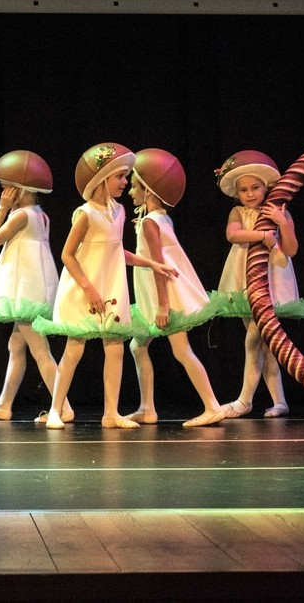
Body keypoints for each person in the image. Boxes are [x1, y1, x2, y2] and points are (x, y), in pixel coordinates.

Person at [34, 143, 177, 430]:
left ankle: (111, 414)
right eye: (120, 177)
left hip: (111, 286)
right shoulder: (86, 213)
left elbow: (117, 252)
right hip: (85, 287)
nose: (125, 182)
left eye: (126, 177)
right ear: (102, 178)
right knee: (74, 349)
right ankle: (56, 410)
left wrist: (151, 264)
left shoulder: (120, 211)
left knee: (115, 348)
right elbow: (67, 255)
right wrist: (88, 289)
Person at [125, 148, 227, 427]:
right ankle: (147, 408)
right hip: (157, 296)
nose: (130, 192)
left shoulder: (150, 222)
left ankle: (212, 406)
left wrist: (163, 306)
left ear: (148, 190)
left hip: (166, 296)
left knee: (181, 350)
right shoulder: (159, 218)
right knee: (137, 346)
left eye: (134, 186)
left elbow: (159, 266)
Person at [0, 150, 66, 421]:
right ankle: (4, 404)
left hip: (25, 290)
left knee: (40, 351)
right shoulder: (40, 214)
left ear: (20, 189)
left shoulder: (21, 215)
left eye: (6, 189)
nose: (3, 194)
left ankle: (63, 407)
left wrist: (2, 209)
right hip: (34, 287)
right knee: (16, 344)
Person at [215, 150, 304, 419]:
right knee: (264, 346)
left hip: (272, 279)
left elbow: (291, 249)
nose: (249, 194)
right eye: (243, 190)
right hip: (244, 278)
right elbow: (233, 234)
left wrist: (282, 224)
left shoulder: (278, 212)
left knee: (255, 338)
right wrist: (263, 235)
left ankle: (244, 400)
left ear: (265, 186)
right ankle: (280, 401)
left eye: (255, 188)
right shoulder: (238, 212)